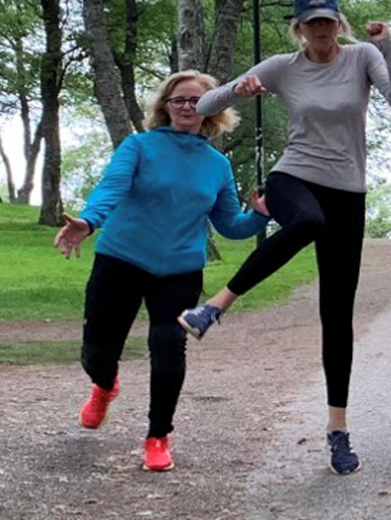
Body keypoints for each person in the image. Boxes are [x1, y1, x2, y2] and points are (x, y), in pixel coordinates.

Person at [177, 0, 391, 475]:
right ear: (299, 27)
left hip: (347, 190)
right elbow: (204, 108)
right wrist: (237, 90)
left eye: (328, 20)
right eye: (312, 22)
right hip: (295, 177)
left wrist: (389, 46)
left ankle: (338, 429)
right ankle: (214, 307)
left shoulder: (363, 56)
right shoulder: (282, 66)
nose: (321, 29)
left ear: (339, 23)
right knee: (307, 221)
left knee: (337, 313)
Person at [54, 70, 269, 474]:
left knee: (168, 346)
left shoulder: (217, 165)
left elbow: (229, 226)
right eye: (179, 100)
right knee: (98, 353)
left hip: (179, 271)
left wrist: (257, 217)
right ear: (165, 106)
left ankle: (158, 436)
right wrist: (88, 221)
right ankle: (104, 385)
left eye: (197, 101)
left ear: (213, 109)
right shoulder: (139, 146)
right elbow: (111, 188)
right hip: (121, 259)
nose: (188, 107)